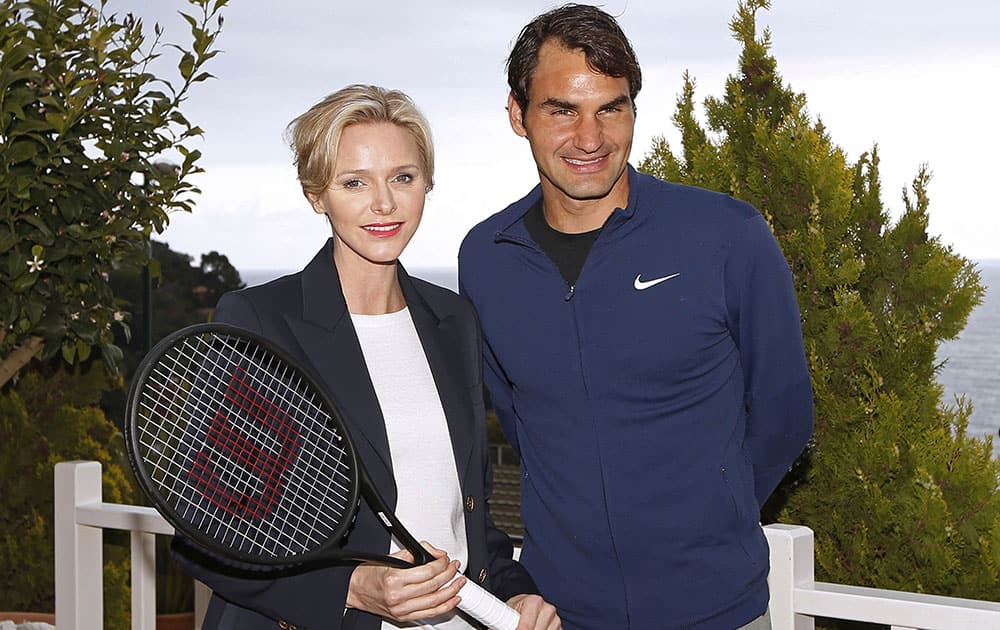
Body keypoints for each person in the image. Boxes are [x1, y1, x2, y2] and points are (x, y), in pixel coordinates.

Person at [458, 5, 814, 630]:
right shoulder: (486, 258)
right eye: (562, 110)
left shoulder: (727, 236)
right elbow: (521, 421)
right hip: (560, 613)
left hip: (718, 612)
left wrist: (713, 514)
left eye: (611, 107)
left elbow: (785, 414)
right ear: (518, 115)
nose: (590, 138)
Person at [172, 84, 561, 630]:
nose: (384, 203)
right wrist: (353, 588)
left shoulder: (454, 322)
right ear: (316, 194)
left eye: (403, 177)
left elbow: (467, 518)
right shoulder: (263, 322)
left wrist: (516, 593)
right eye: (354, 182)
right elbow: (204, 534)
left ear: (427, 182)